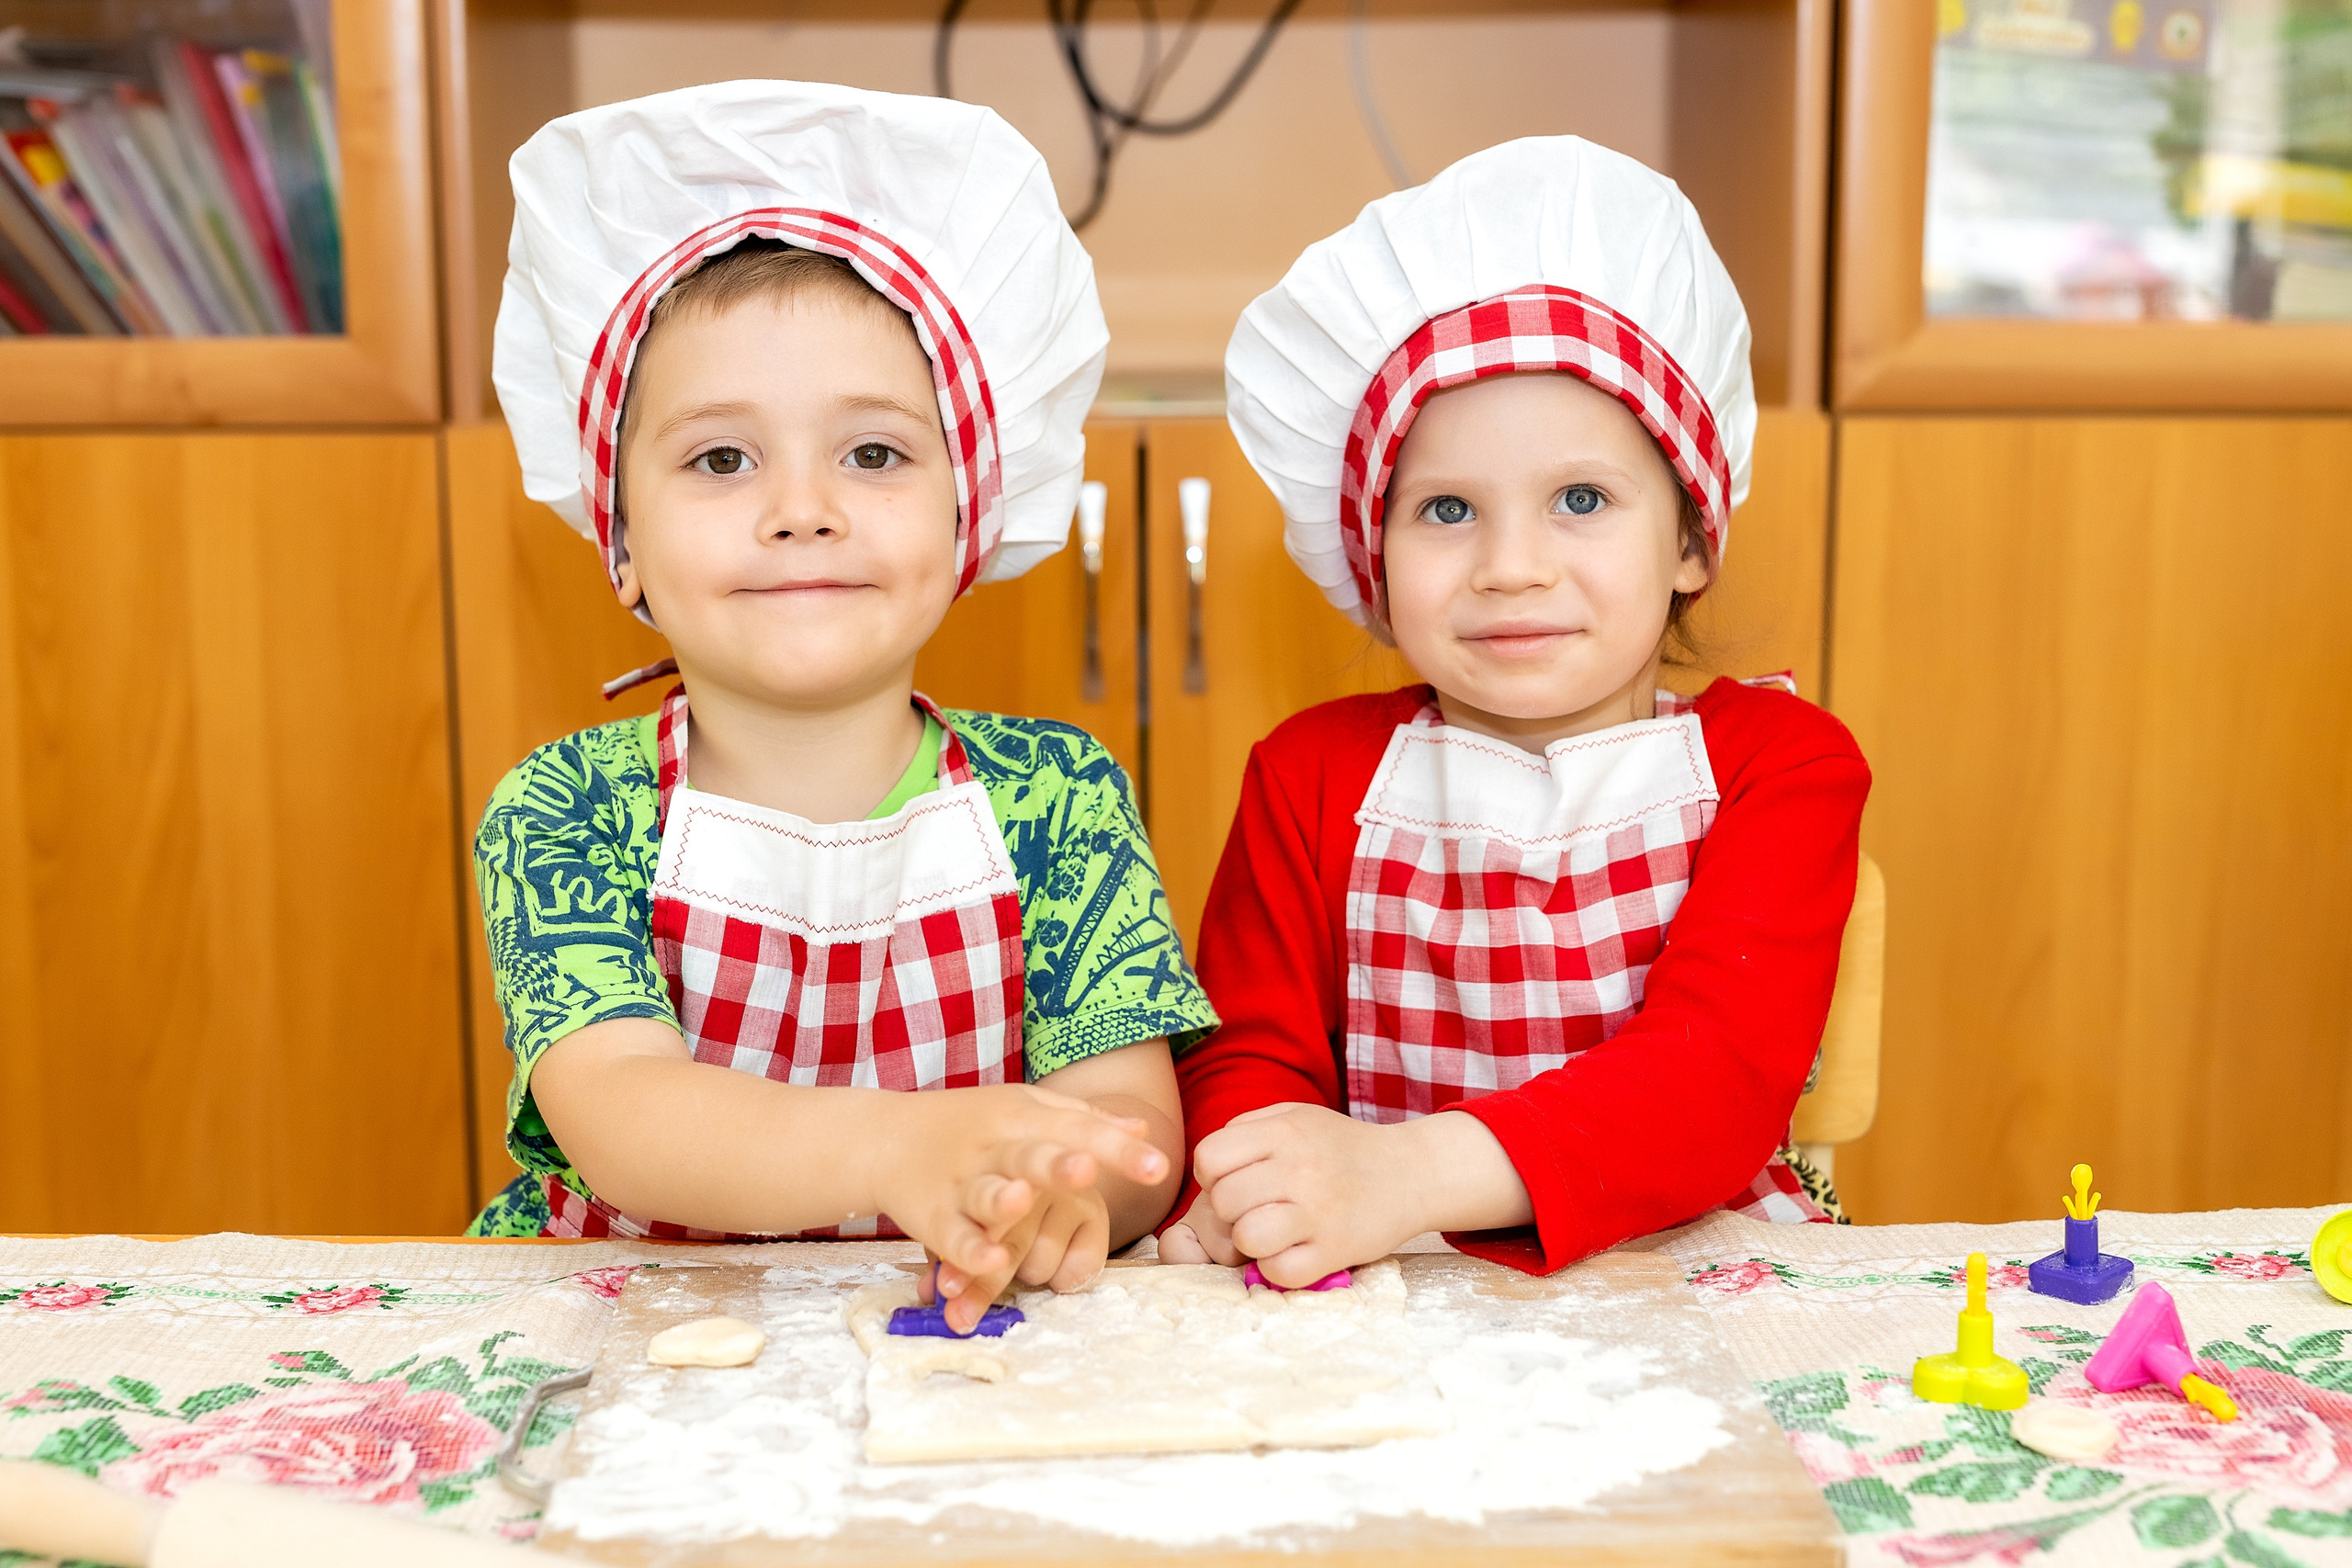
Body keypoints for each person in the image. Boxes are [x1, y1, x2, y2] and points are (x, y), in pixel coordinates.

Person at [472, 81, 1216, 1331]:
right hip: (633, 1337)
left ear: (968, 511)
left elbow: (1131, 1114)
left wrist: (1068, 1184)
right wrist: (903, 1149)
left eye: (874, 453)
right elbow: (627, 1117)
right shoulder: (564, 804)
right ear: (623, 544)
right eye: (721, 458)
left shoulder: (1060, 794)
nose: (802, 506)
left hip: (955, 1327)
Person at [1159, 137, 1870, 1283]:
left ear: (1689, 540)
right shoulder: (1308, 775)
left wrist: (1399, 1178)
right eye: (1445, 510)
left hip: (1704, 1272)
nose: (1510, 566)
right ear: (1373, 563)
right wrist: (1256, 1184)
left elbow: (1711, 1083)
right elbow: (1248, 1062)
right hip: (1386, 1273)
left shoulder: (1779, 766)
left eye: (1579, 499)